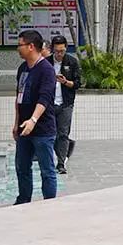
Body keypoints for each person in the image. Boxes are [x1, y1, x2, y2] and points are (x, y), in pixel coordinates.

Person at [13, 29, 57, 204]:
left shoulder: (46, 70)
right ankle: (23, 201)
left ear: (31, 46)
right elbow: (18, 96)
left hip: (42, 129)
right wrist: (17, 123)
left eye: (20, 45)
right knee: (22, 167)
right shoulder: (23, 68)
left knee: (47, 170)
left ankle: (49, 204)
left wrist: (33, 120)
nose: (18, 48)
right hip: (24, 129)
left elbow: (44, 99)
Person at [47, 35, 81, 175]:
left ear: (66, 48)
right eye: (56, 51)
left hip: (66, 103)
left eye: (62, 51)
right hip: (49, 103)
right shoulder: (46, 63)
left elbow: (78, 84)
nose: (59, 54)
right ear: (52, 50)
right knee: (49, 134)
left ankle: (61, 164)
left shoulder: (72, 62)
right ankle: (49, 161)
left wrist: (65, 82)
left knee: (63, 133)